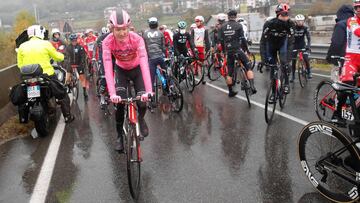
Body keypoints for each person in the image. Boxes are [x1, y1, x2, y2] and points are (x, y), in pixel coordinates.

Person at [102, 9, 152, 152]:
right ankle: (119, 136)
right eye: (118, 29)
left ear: (129, 27)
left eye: (124, 29)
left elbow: (144, 64)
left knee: (142, 102)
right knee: (120, 105)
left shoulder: (137, 39)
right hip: (121, 71)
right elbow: (107, 68)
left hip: (137, 70)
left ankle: (141, 119)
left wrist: (149, 90)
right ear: (112, 29)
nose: (122, 33)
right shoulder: (107, 42)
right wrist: (112, 94)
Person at [17, 25, 74, 123]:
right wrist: (62, 56)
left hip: (28, 77)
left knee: (23, 98)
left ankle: (23, 118)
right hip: (46, 75)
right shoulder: (46, 44)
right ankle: (67, 117)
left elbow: (20, 65)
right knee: (62, 93)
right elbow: (57, 57)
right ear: (40, 33)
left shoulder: (22, 46)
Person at [332, 1, 360, 125]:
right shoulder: (352, 20)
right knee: (347, 83)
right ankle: (337, 114)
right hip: (351, 58)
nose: (359, 9)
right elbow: (357, 31)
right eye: (357, 7)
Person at [260, 3, 295, 101]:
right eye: (283, 14)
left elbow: (291, 42)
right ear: (278, 14)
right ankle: (274, 94)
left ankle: (286, 83)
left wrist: (288, 60)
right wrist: (263, 59)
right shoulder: (269, 24)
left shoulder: (290, 24)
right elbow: (263, 42)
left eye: (287, 14)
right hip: (271, 47)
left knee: (284, 63)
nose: (285, 17)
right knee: (273, 69)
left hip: (283, 45)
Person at [219, 9, 257, 97]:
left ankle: (230, 91)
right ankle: (252, 86)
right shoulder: (238, 25)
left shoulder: (222, 27)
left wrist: (224, 51)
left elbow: (221, 40)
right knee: (248, 68)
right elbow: (243, 39)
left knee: (229, 73)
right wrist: (246, 50)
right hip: (238, 50)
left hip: (229, 51)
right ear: (235, 16)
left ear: (228, 16)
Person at [142, 17, 166, 86]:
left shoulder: (145, 34)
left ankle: (151, 93)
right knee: (165, 73)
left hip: (151, 58)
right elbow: (163, 47)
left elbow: (144, 48)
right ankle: (169, 86)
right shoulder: (160, 33)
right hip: (160, 57)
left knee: (151, 79)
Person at [64, 33, 89, 99]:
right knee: (67, 78)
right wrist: (66, 62)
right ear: (70, 40)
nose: (74, 42)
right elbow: (66, 56)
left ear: (76, 40)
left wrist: (82, 63)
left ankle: (84, 92)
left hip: (79, 64)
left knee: (82, 78)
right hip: (70, 64)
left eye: (75, 40)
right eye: (72, 40)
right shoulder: (68, 47)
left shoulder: (80, 47)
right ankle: (68, 88)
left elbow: (83, 56)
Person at [94, 25, 112, 108]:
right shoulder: (100, 38)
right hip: (103, 59)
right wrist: (94, 57)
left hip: (113, 59)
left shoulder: (114, 37)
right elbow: (95, 48)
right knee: (104, 78)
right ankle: (102, 98)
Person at [291, 14, 312, 82]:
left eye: (301, 21)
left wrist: (308, 46)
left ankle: (309, 72)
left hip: (302, 45)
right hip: (294, 45)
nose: (300, 22)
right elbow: (289, 37)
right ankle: (293, 76)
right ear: (296, 21)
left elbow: (309, 38)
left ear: (303, 21)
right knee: (293, 61)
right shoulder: (293, 28)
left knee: (306, 58)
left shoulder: (305, 28)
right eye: (298, 21)